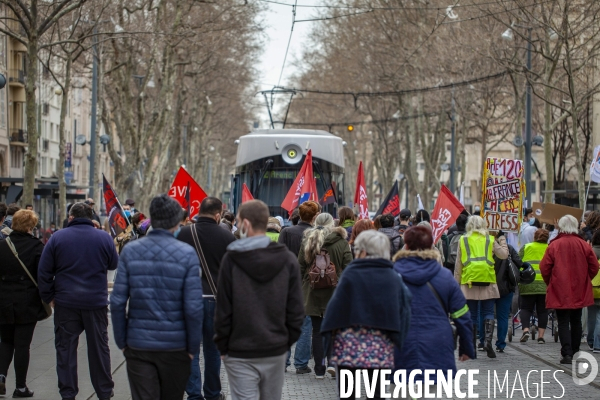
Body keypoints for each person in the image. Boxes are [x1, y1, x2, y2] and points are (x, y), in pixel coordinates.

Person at [111, 194, 203, 400]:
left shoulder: (130, 251)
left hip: (138, 345)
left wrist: (122, 341)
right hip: (176, 346)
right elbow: (194, 308)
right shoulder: (187, 254)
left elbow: (117, 302)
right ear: (175, 222)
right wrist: (192, 348)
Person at [214, 200, 304, 400]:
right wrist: (285, 340)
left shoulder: (231, 259)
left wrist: (223, 343)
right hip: (275, 348)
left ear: (245, 223)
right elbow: (297, 309)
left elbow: (223, 307)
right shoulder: (288, 260)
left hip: (239, 349)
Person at [38, 202, 118, 400]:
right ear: (92, 218)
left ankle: (68, 393)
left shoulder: (57, 237)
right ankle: (104, 392)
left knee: (65, 349)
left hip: (66, 302)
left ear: (70, 217)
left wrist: (49, 297)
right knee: (99, 349)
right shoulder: (103, 237)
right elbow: (113, 263)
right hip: (95, 302)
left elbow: (44, 271)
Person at [322, 230, 412, 399]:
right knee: (377, 392)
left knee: (348, 393)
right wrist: (399, 340)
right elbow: (405, 309)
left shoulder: (351, 274)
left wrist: (328, 341)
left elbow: (335, 309)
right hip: (381, 345)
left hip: (348, 345)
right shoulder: (393, 277)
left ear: (363, 251)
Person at [394, 226, 474, 389]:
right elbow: (462, 314)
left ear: (406, 246)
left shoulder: (392, 274)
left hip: (400, 343)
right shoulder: (444, 276)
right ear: (431, 246)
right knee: (430, 391)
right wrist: (466, 347)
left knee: (400, 390)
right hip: (437, 342)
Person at [177, 197, 235, 400]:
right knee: (212, 350)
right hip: (215, 300)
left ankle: (193, 394)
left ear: (198, 211)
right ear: (218, 215)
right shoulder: (227, 236)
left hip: (188, 299)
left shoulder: (183, 233)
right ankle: (213, 393)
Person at [298, 213, 353, 378]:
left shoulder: (308, 241)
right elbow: (349, 266)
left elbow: (300, 266)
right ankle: (333, 364)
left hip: (312, 291)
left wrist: (302, 286)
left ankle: (319, 370)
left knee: (317, 331)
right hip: (335, 292)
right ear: (332, 224)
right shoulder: (341, 242)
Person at [540, 215, 599, 364]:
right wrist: (586, 279)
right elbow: (594, 266)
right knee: (576, 320)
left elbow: (544, 267)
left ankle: (566, 353)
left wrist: (551, 282)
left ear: (560, 226)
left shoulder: (554, 245)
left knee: (563, 320)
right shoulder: (584, 245)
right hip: (579, 287)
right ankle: (575, 350)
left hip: (560, 287)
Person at [0, 210, 46, 398]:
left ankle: (1, 377)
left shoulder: (2, 245)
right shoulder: (36, 246)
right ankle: (20, 387)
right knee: (22, 345)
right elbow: (42, 275)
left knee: (5, 342)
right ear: (30, 227)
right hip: (27, 302)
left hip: (3, 300)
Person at [454, 215, 508, 359]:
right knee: (489, 312)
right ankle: (488, 342)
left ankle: (471, 347)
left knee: (471, 315)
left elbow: (458, 264)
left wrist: (456, 283)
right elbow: (503, 255)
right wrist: (502, 238)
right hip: (487, 279)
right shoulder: (490, 239)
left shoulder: (463, 240)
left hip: (469, 280)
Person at [278, 201, 319, 375]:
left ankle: (283, 362)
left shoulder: (287, 232)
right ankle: (301, 363)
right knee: (305, 323)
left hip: (286, 282)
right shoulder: (316, 235)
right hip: (309, 284)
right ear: (314, 216)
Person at [479, 241, 524, 353]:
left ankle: (483, 341)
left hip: (487, 285)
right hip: (506, 287)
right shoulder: (508, 248)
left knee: (484, 314)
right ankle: (501, 344)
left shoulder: (484, 245)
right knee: (503, 317)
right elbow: (519, 263)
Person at [518, 229, 550, 344]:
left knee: (526, 308)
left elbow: (518, 262)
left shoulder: (526, 247)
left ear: (534, 237)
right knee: (542, 310)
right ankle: (541, 337)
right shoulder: (550, 248)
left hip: (528, 282)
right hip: (545, 284)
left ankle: (525, 329)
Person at [589, 230, 600, 352]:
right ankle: (597, 344)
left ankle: (591, 340)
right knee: (599, 316)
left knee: (591, 315)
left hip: (591, 287)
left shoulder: (591, 252)